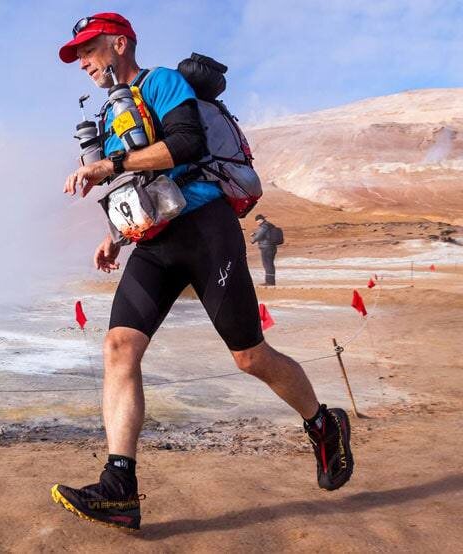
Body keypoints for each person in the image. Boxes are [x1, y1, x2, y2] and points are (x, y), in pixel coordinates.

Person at [52, 13, 353, 531]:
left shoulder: (161, 82)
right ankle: (120, 488)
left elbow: (186, 144)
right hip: (155, 241)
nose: (82, 62)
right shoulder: (111, 113)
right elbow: (140, 187)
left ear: (119, 44)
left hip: (205, 230)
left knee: (249, 356)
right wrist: (116, 236)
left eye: (88, 49)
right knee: (119, 346)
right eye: (77, 55)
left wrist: (110, 166)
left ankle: (324, 424)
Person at [250, 214, 277, 286]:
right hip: (272, 247)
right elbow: (265, 235)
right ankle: (271, 281)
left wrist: (252, 240)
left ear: (260, 220)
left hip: (266, 248)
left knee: (267, 264)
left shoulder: (264, 226)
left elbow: (259, 236)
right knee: (270, 264)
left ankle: (269, 282)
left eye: (257, 221)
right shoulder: (270, 225)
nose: (257, 223)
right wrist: (255, 234)